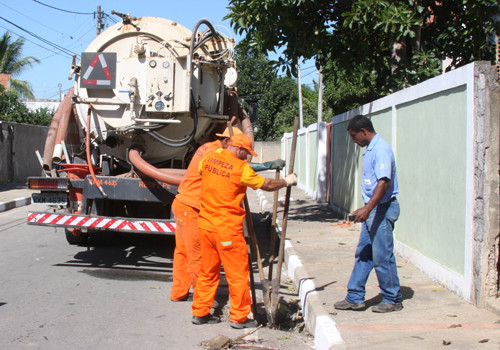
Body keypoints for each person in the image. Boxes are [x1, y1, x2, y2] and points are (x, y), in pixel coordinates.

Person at [191, 133, 297, 328]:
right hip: (226, 229)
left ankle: (200, 312)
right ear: (239, 149)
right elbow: (267, 185)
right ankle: (239, 317)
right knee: (238, 274)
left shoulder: (208, 159)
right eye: (247, 153)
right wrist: (286, 181)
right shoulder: (241, 168)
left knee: (208, 271)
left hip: (205, 226)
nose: (247, 156)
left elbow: (202, 172)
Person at [170, 127, 285, 302]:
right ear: (227, 142)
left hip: (183, 203)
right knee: (197, 256)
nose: (242, 155)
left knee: (183, 252)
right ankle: (203, 299)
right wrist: (267, 166)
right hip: (192, 206)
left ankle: (179, 292)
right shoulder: (216, 152)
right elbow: (238, 168)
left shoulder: (208, 148)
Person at [334, 114, 402, 313]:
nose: (354, 142)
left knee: (382, 256)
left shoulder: (381, 150)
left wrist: (368, 208)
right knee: (364, 253)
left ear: (364, 131)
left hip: (382, 209)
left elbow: (383, 182)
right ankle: (354, 297)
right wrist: (364, 208)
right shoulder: (371, 149)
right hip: (374, 210)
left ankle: (392, 299)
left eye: (355, 137)